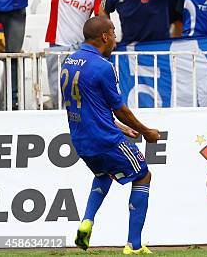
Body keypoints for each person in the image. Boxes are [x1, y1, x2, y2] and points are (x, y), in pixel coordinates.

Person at [62, 16, 160, 254]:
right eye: (113, 33)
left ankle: (87, 221)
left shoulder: (69, 61)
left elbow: (90, 107)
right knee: (143, 176)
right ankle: (133, 245)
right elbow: (120, 108)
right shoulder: (104, 67)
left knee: (103, 174)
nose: (116, 39)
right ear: (104, 36)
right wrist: (146, 132)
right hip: (106, 140)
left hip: (81, 140)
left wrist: (117, 125)